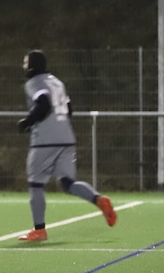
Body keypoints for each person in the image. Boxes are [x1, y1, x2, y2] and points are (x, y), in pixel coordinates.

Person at [17, 49, 116, 241]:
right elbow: (69, 109)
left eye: (26, 62)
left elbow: (44, 104)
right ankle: (98, 199)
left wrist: (27, 122)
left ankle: (39, 230)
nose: (24, 66)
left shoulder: (34, 82)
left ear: (32, 65)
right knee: (68, 183)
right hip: (66, 137)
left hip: (45, 141)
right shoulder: (57, 82)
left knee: (36, 184)